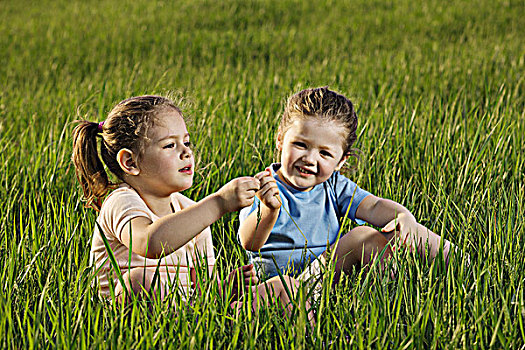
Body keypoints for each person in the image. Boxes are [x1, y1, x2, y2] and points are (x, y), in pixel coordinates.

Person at [71, 95, 311, 319]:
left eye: (186, 142)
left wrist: (227, 287)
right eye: (169, 146)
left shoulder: (190, 210)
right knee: (142, 279)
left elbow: (205, 290)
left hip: (190, 314)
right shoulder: (121, 201)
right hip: (131, 314)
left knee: (285, 286)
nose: (186, 152)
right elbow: (149, 242)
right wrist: (218, 203)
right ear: (130, 162)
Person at [238, 87, 453, 283]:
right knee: (361, 235)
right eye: (300, 145)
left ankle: (456, 266)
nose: (310, 159)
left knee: (397, 230)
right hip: (276, 284)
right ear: (280, 140)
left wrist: (405, 217)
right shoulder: (265, 186)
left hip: (322, 277)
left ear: (341, 161)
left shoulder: (333, 186)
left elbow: (374, 206)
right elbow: (250, 243)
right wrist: (268, 210)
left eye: (324, 153)